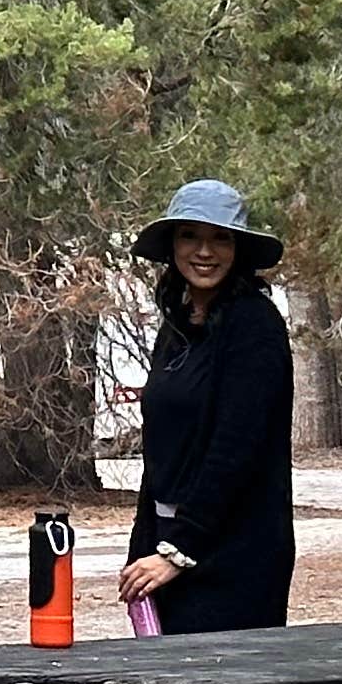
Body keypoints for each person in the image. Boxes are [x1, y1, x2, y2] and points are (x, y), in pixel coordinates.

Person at [118, 179, 295, 633]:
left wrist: (178, 551)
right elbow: (161, 451)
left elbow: (236, 451)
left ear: (238, 250)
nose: (204, 251)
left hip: (233, 553)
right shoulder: (177, 328)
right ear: (172, 245)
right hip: (169, 547)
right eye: (190, 236)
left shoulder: (254, 325)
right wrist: (145, 547)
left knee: (216, 676)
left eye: (221, 238)